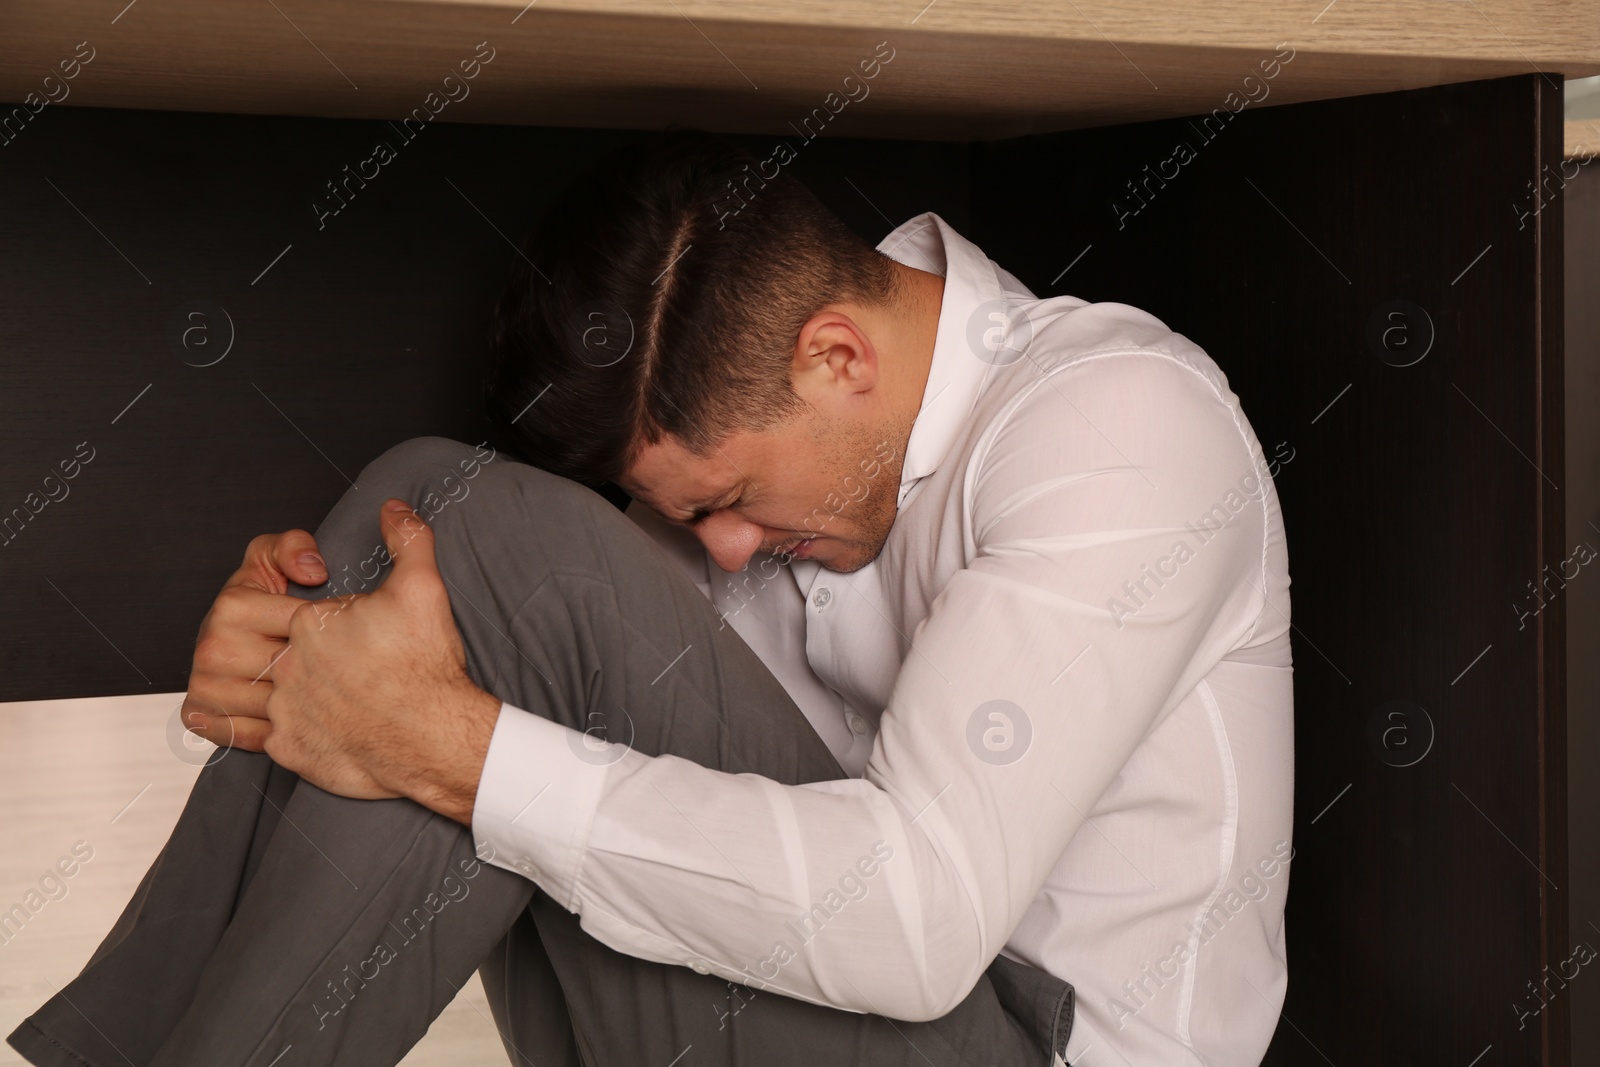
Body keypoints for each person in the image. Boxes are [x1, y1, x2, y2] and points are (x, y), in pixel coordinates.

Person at [9, 128, 1293, 1067]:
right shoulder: (780, 468)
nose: (723, 552)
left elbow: (916, 924)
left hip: (1023, 1039)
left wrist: (453, 745)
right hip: (814, 1009)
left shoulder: (1115, 421)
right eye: (690, 517)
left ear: (836, 355)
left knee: (476, 584)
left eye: (723, 497)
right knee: (443, 550)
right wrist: (296, 662)